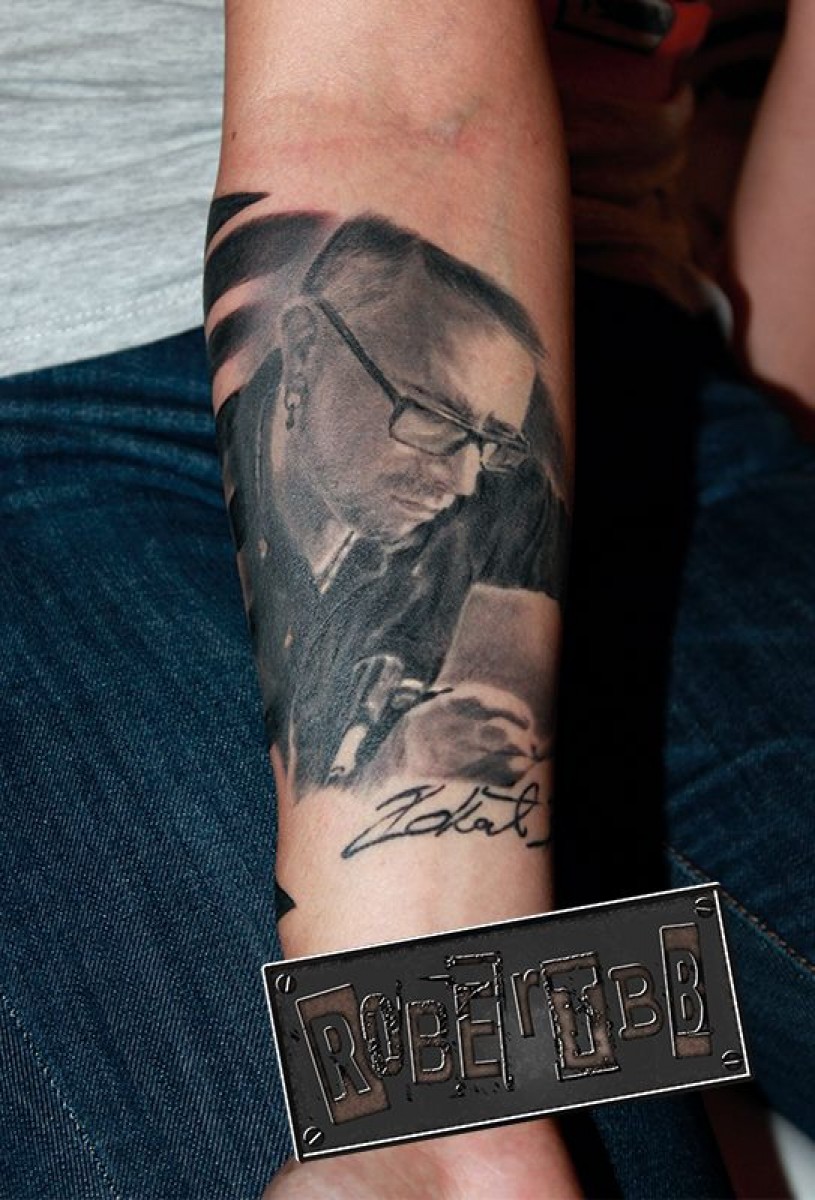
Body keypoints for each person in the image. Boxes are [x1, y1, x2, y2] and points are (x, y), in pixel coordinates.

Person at [1, 2, 813, 1198]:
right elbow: (396, 101)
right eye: (433, 434)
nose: (461, 485)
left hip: (644, 386)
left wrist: (772, 461)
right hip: (80, 361)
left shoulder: (477, 459)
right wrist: (428, 1079)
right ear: (309, 363)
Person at [209, 210, 568, 793]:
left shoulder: (496, 484)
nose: (462, 483)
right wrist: (396, 762)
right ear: (305, 350)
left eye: (492, 441)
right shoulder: (199, 516)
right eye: (430, 416)